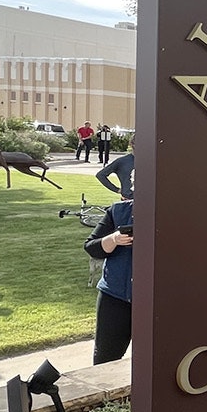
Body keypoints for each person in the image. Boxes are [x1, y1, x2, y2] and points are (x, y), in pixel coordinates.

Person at [84, 197, 134, 363]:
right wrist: (114, 239)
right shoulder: (118, 211)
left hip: (157, 301)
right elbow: (92, 248)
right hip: (115, 297)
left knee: (157, 361)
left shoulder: (176, 212)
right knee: (105, 360)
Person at [96, 134, 135, 199]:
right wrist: (117, 190)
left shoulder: (150, 161)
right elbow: (101, 175)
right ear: (132, 144)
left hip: (148, 199)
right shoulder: (122, 161)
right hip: (129, 198)